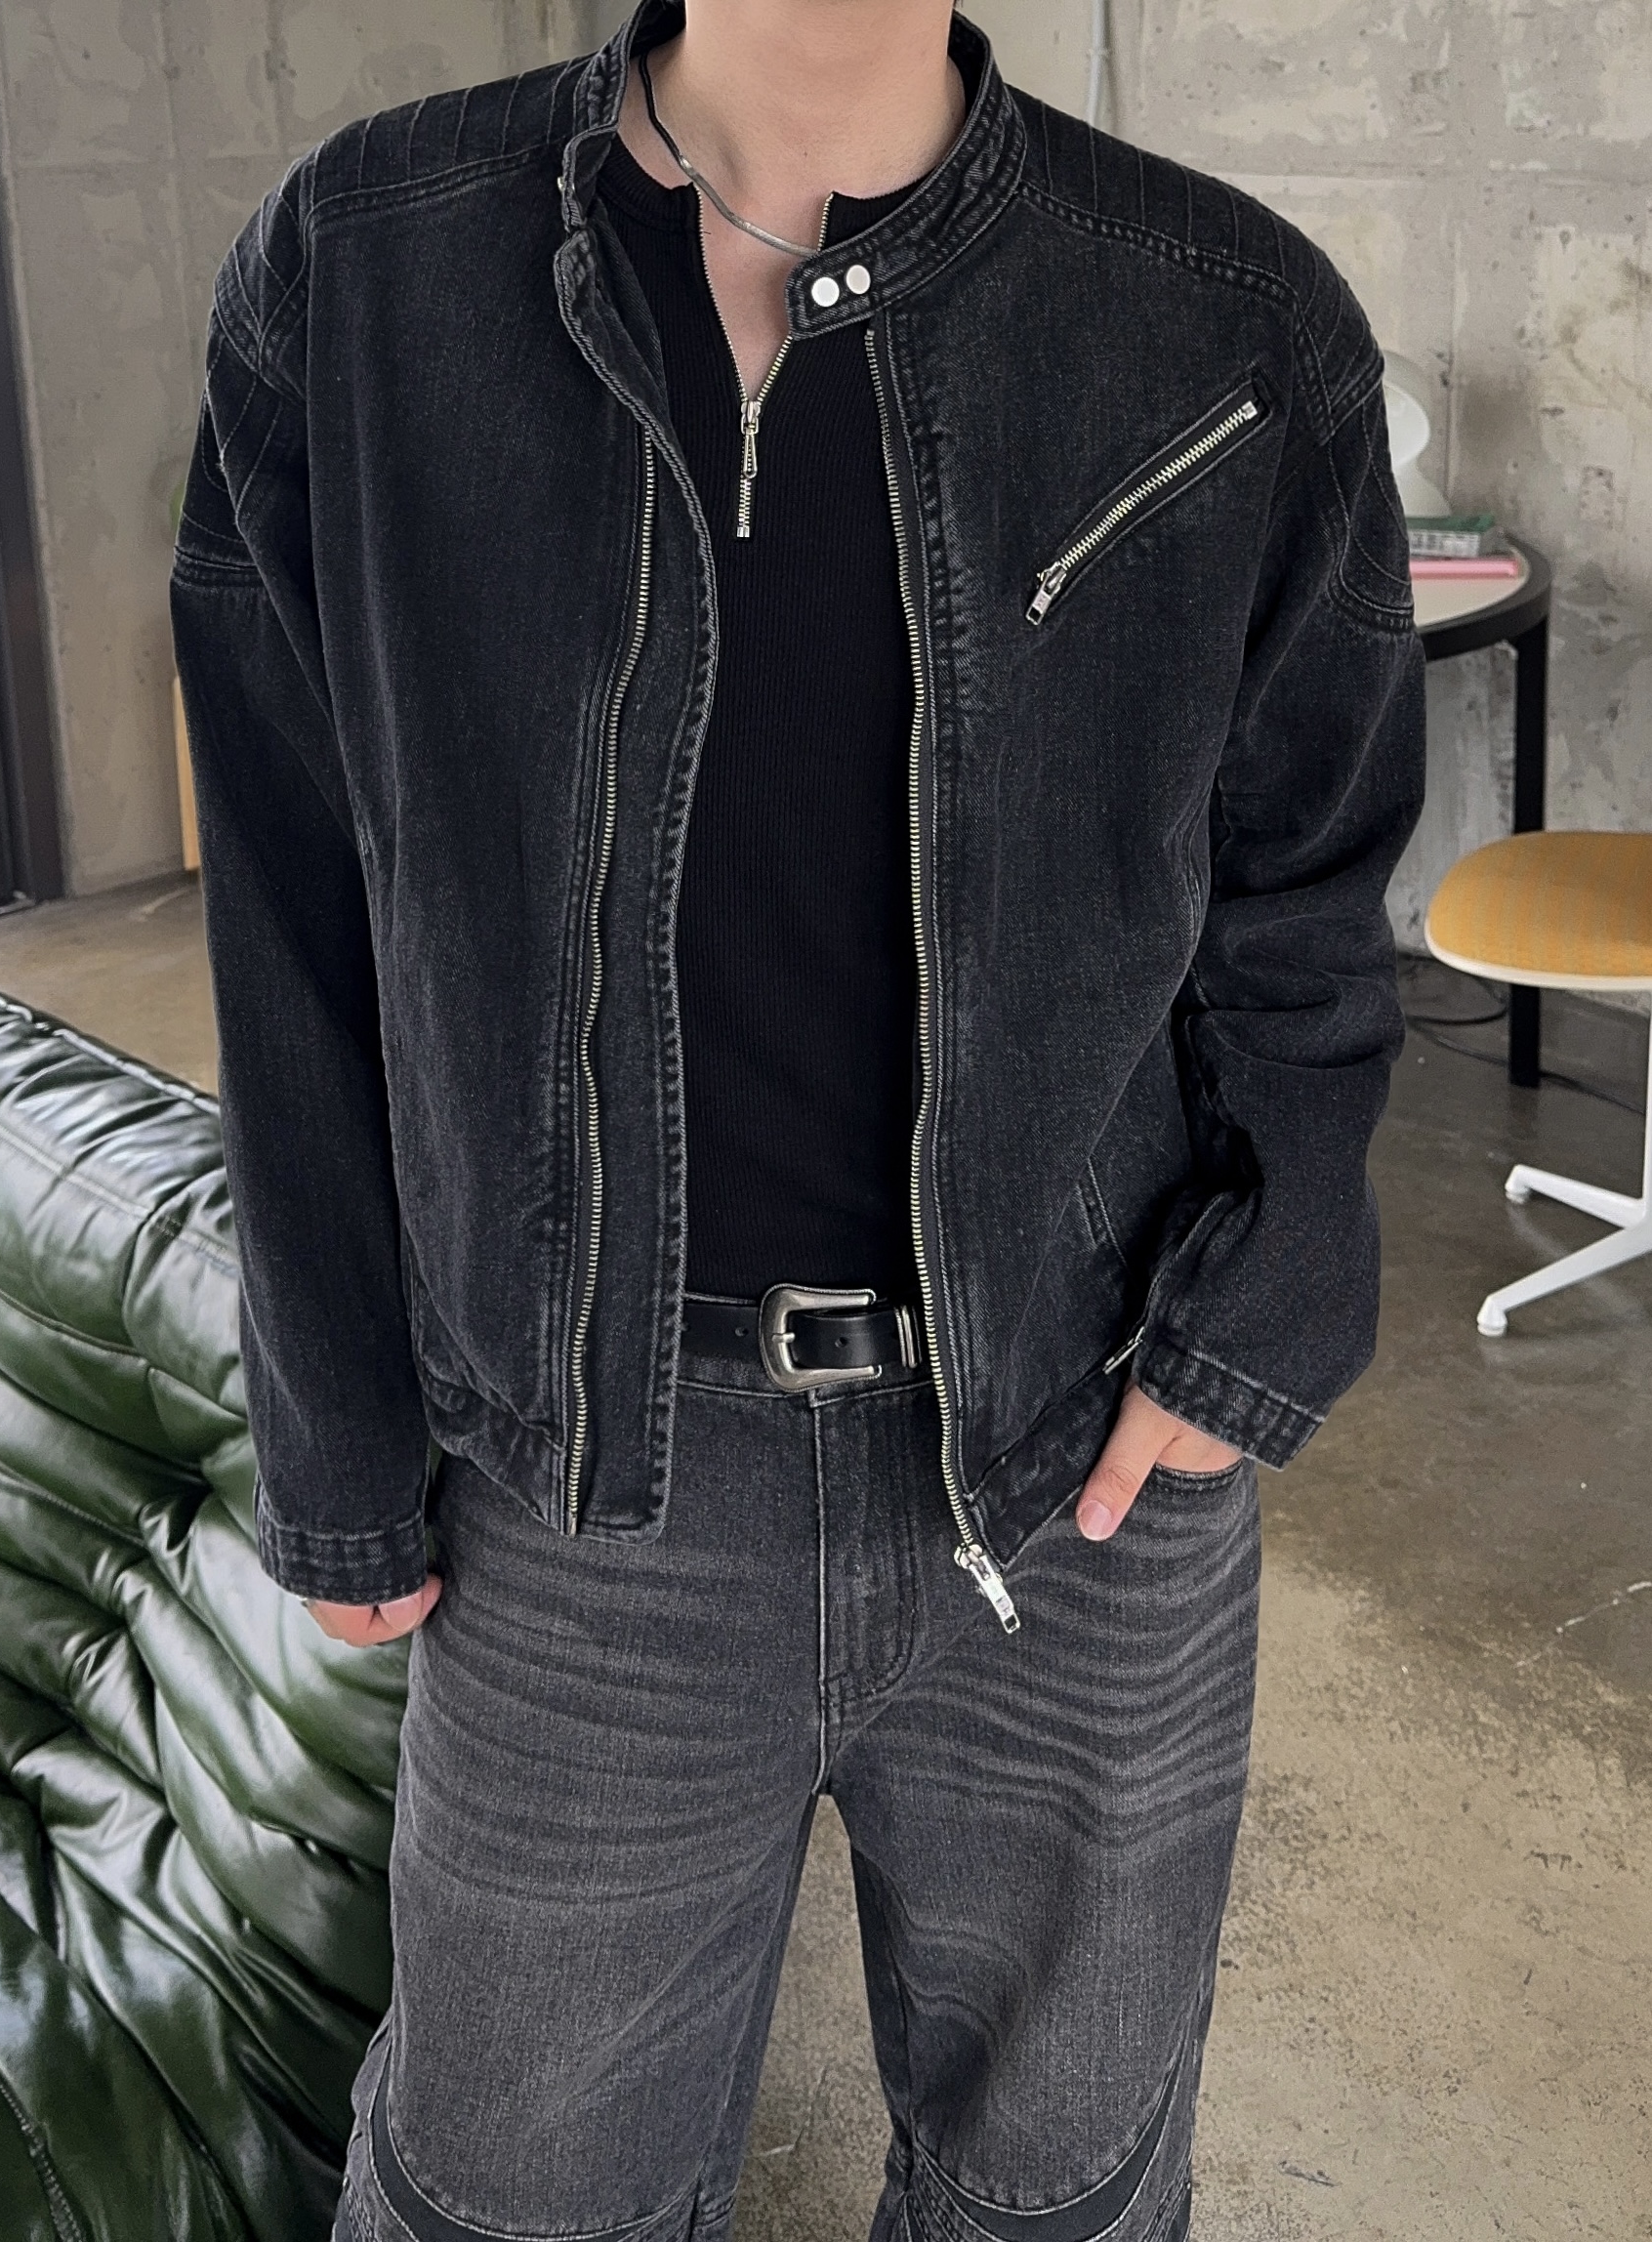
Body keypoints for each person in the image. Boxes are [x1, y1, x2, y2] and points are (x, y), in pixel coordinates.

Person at [170, 0, 1425, 2235]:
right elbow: (292, 905)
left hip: (1077, 1476)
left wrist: (1248, 1321)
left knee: (1059, 2196)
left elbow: (1307, 903)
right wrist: (338, 1433)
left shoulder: (1227, 325)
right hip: (585, 1482)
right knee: (498, 2194)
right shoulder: (365, 268)